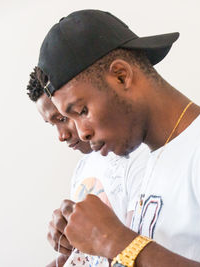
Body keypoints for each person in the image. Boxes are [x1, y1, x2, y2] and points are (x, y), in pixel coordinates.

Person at [33, 9, 200, 267]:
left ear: (121, 75)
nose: (82, 132)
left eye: (82, 111)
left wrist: (114, 239)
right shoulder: (153, 161)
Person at [26, 69, 149, 267]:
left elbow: (137, 253)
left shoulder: (138, 157)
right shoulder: (82, 169)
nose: (61, 136)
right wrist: (67, 248)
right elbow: (90, 257)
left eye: (62, 118)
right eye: (52, 124)